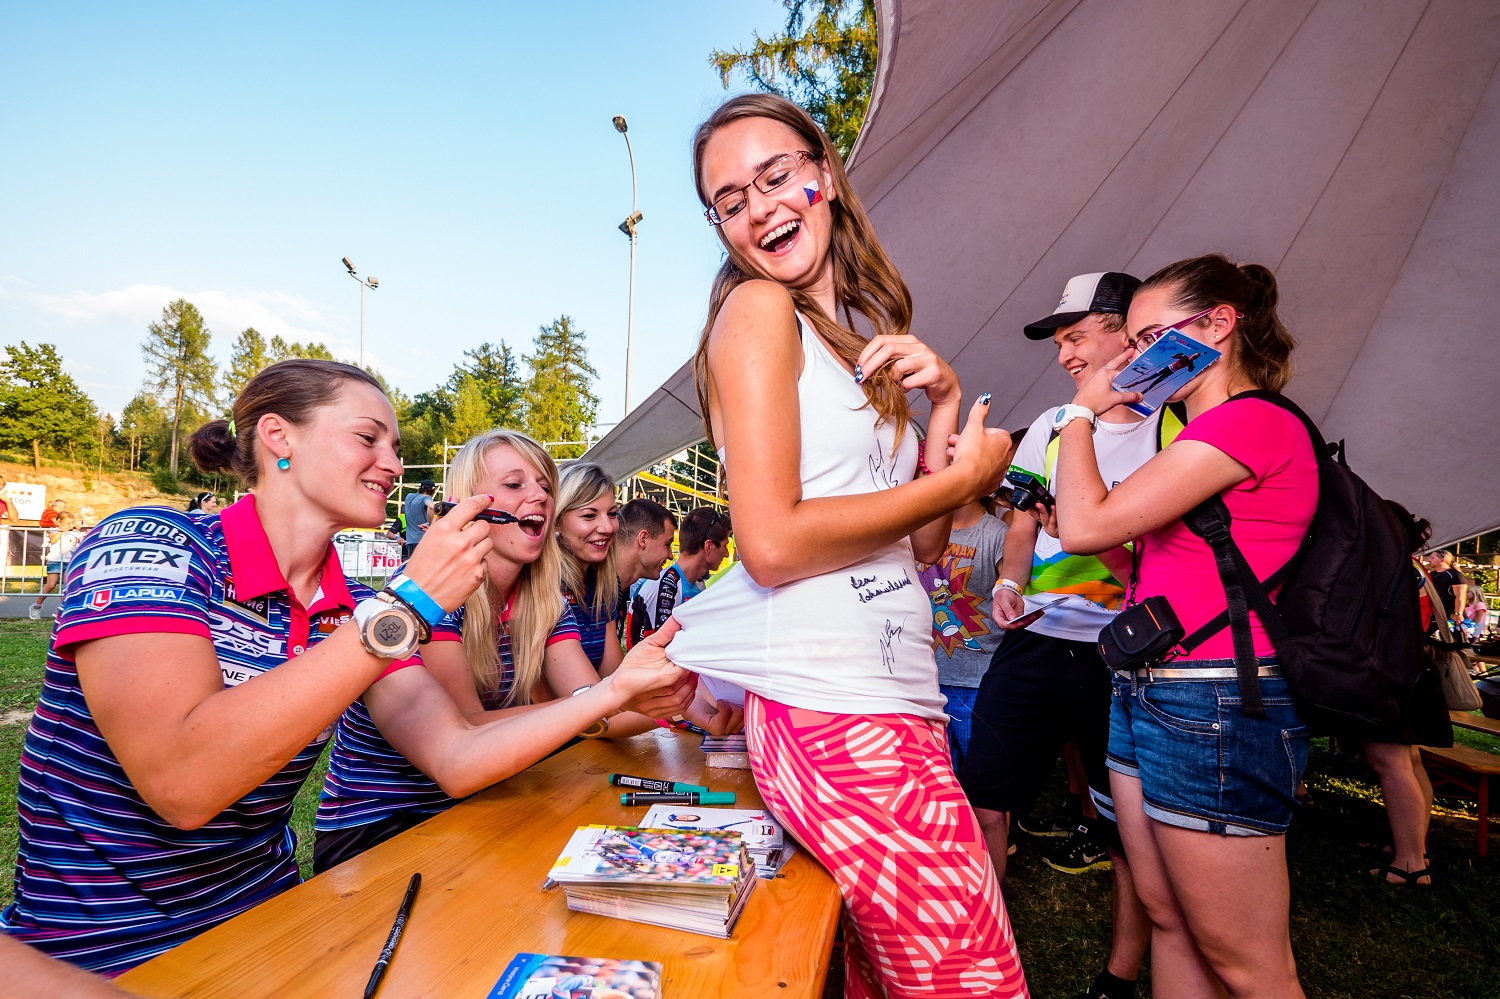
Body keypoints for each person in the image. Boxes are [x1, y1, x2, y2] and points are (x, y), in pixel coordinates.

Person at [0, 359, 693, 975]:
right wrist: (410, 605)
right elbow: (183, 782)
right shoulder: (153, 541)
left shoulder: (348, 607)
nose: (394, 463)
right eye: (369, 438)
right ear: (280, 437)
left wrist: (617, 689)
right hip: (98, 950)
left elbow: (455, 750)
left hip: (266, 925)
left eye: (395, 446)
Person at [664, 93, 1024, 998]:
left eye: (776, 175)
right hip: (834, 707)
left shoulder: (853, 346)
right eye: (730, 199)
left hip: (894, 699)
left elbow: (925, 543)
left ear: (823, 175)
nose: (760, 207)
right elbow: (774, 542)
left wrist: (942, 409)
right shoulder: (755, 312)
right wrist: (958, 472)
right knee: (972, 982)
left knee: (877, 980)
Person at [1055, 254, 1316, 998]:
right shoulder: (1192, 436)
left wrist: (1082, 411)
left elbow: (1082, 525)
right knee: (1168, 915)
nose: (1134, 360)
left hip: (1216, 699)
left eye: (1146, 339)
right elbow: (1120, 549)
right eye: (1130, 344)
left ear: (1217, 325)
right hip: (1151, 685)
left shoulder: (1252, 422)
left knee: (1247, 959)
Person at [314, 430, 702, 870]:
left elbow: (588, 701)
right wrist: (601, 701)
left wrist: (680, 699)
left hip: (482, 804)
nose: (538, 495)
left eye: (545, 486)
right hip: (382, 826)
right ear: (465, 503)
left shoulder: (545, 601)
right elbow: (470, 729)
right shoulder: (429, 592)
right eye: (515, 485)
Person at [959, 272, 1156, 999]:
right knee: (985, 799)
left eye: (1076, 336)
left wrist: (1080, 531)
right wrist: (1010, 583)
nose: (1065, 354)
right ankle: (981, 953)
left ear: (1123, 332)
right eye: (1061, 341)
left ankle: (1120, 975)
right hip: (1035, 642)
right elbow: (1020, 523)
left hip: (1126, 653)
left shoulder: (1174, 421)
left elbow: (1158, 556)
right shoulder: (1049, 423)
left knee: (1126, 832)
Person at [1357, 501, 1450, 888]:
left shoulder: (1387, 566)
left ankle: (1410, 865)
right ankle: (1415, 847)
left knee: (1390, 763)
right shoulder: (1413, 565)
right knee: (1410, 762)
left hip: (1392, 671)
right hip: (1415, 667)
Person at [917, 482, 1011, 774]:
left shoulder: (997, 535)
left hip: (978, 682)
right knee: (936, 778)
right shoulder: (913, 534)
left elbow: (1013, 601)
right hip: (923, 680)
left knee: (982, 781)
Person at [626, 506, 730, 648]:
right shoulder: (664, 586)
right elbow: (657, 652)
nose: (727, 554)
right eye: (725, 546)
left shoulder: (698, 584)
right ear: (709, 547)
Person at [557, 462, 624, 674]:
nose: (607, 527)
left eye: (612, 514)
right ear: (556, 522)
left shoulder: (602, 584)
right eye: (589, 515)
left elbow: (612, 676)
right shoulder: (543, 587)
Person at [614, 498, 676, 635]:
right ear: (643, 540)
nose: (671, 555)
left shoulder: (617, 589)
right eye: (667, 544)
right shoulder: (593, 592)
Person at [28, 510, 84, 620]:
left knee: (66, 586)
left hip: (69, 561)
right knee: (51, 585)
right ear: (59, 522)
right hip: (55, 560)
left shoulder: (75, 533)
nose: (70, 525)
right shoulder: (52, 530)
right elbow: (53, 540)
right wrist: (61, 531)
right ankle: (36, 606)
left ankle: (60, 610)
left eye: (71, 523)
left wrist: (77, 528)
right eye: (67, 523)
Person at [1423, 549, 1466, 627]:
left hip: (1449, 612)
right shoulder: (1431, 574)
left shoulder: (1454, 575)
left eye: (1432, 558)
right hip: (1434, 611)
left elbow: (1460, 596)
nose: (1429, 560)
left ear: (1442, 560)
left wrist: (1458, 613)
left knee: (1453, 637)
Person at [403, 479, 435, 558]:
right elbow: (431, 506)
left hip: (410, 541)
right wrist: (430, 524)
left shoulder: (409, 496)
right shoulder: (426, 498)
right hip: (422, 540)